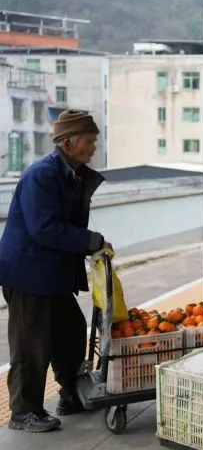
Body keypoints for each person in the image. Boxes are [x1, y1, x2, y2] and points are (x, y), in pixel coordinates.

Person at [0, 110, 108, 433]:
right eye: (89, 141)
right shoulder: (41, 175)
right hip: (29, 274)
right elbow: (44, 228)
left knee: (71, 334)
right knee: (32, 344)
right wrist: (90, 241)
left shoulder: (70, 174)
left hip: (52, 275)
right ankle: (23, 412)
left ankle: (71, 395)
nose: (94, 147)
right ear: (68, 143)